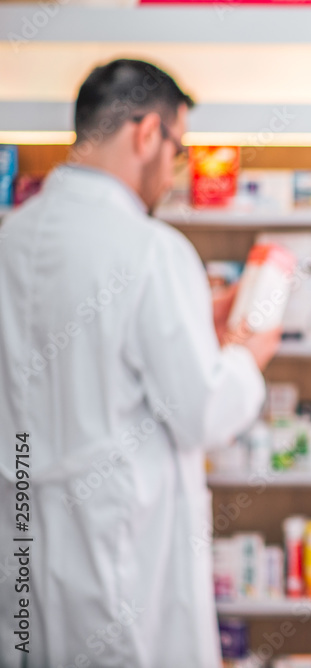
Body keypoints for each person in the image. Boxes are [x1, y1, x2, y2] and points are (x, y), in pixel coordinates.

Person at [0, 59, 281, 667]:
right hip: (118, 550)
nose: (174, 172)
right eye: (178, 148)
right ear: (147, 132)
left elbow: (78, 354)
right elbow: (202, 413)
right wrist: (244, 356)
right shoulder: (151, 249)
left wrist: (195, 323)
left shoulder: (12, 238)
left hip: (21, 544)